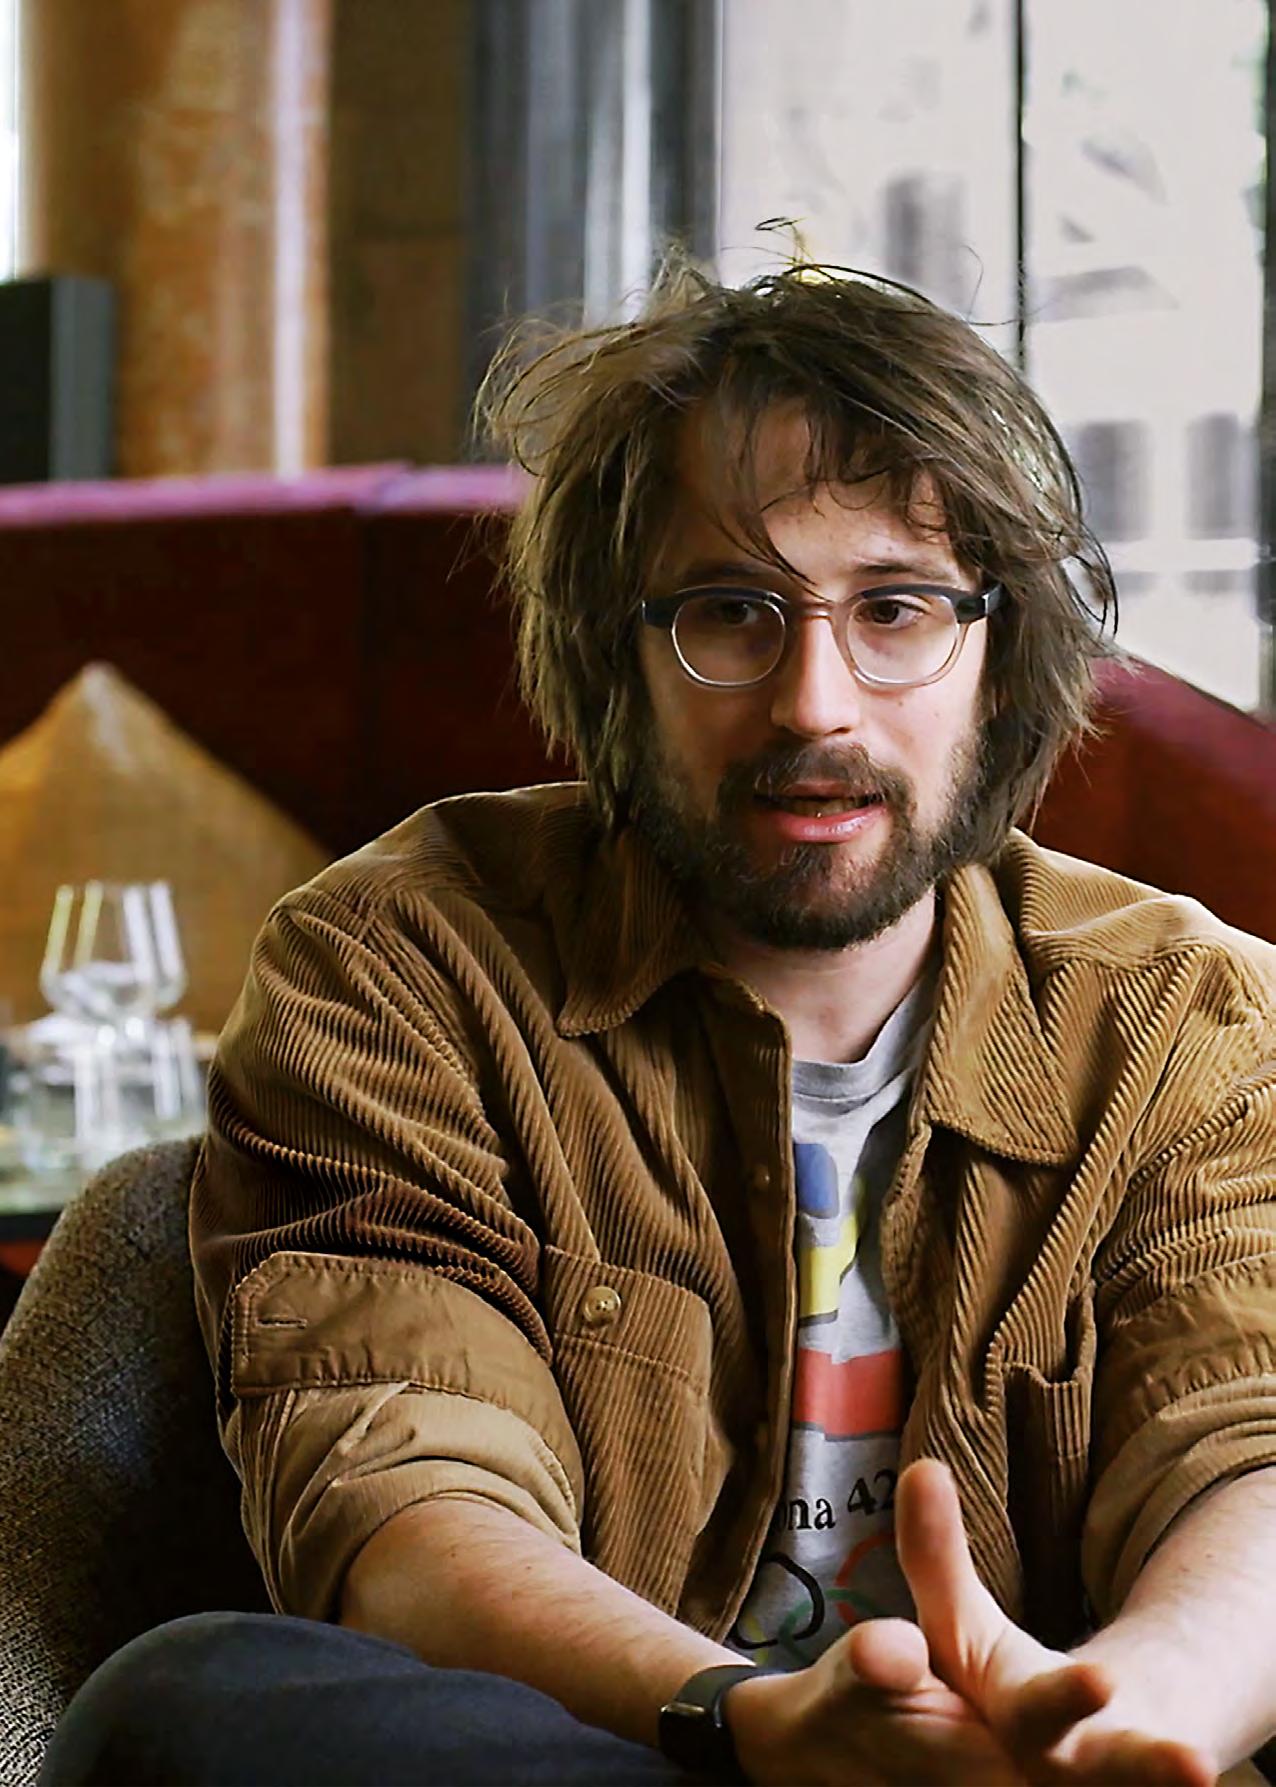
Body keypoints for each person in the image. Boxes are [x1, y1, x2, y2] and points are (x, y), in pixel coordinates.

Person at [44, 260, 1276, 1786]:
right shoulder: (397, 967)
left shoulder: (1186, 1013)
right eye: (729, 613)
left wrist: (1114, 1729)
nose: (815, 704)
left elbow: (1245, 1438)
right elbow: (409, 1492)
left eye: (895, 609)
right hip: (637, 1754)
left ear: (998, 652)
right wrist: (751, 1722)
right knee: (185, 1709)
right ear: (615, 654)